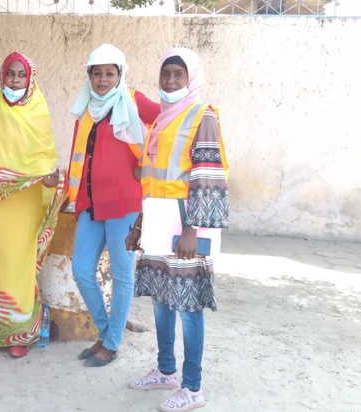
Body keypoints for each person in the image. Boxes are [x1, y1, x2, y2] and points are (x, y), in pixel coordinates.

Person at [126, 48, 229, 412]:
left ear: (192, 79)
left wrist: (192, 229)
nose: (170, 81)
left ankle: (193, 387)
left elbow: (207, 178)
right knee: (161, 299)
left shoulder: (203, 116)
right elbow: (153, 178)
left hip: (184, 223)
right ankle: (166, 371)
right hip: (156, 220)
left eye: (178, 75)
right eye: (165, 74)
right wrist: (139, 224)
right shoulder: (162, 120)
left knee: (188, 305)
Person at [66, 44, 159, 368]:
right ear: (89, 76)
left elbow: (167, 124)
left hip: (125, 205)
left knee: (122, 275)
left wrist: (149, 163)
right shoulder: (87, 108)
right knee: (81, 271)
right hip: (91, 203)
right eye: (97, 73)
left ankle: (112, 343)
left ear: (120, 75)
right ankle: (108, 332)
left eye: (109, 73)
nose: (103, 79)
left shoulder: (135, 101)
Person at [0, 52, 62, 358]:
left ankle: (19, 334)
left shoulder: (38, 111)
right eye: (11, 74)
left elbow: (44, 160)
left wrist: (47, 180)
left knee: (17, 265)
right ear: (2, 76)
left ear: (30, 78)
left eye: (21, 75)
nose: (15, 80)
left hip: (23, 203)